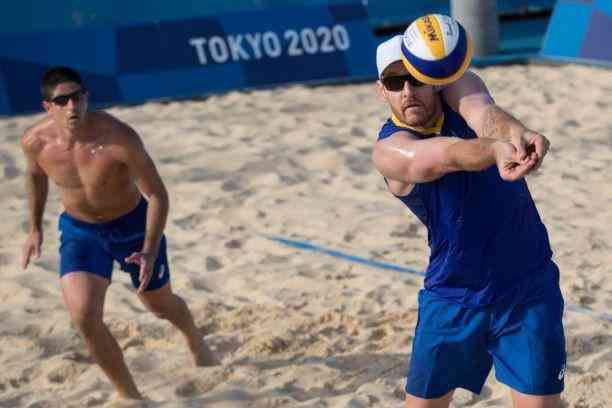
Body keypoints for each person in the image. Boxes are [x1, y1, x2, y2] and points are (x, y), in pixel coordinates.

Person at [372, 32, 565, 408]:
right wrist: (494, 150)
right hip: (453, 295)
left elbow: (486, 114)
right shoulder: (390, 151)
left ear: (436, 78)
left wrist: (517, 134)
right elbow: (446, 155)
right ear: (382, 90)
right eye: (396, 82)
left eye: (417, 77)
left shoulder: (459, 88)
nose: (408, 90)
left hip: (526, 284)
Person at [20, 66, 218, 400]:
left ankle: (195, 340)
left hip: (133, 227)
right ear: (47, 107)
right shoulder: (35, 143)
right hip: (81, 232)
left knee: (159, 305)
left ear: (87, 98)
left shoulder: (117, 137)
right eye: (63, 100)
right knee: (84, 316)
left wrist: (150, 248)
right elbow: (35, 177)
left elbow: (157, 194)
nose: (72, 106)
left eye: (78, 97)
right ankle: (130, 396)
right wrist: (34, 227)